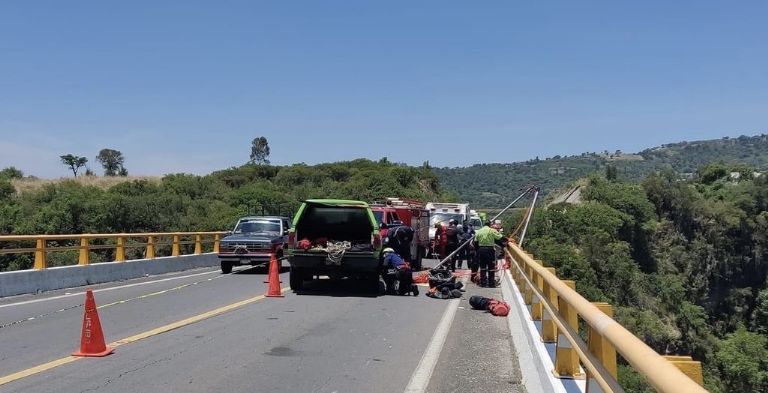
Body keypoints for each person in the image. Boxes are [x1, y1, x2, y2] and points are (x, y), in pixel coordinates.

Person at [473, 222, 503, 287]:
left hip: (481, 250)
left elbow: (475, 242)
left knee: (482, 267)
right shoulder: (492, 230)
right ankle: (491, 283)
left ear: (484, 225)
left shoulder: (479, 231)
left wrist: (477, 251)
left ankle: (483, 283)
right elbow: (500, 237)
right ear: (489, 225)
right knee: (491, 267)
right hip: (490, 250)